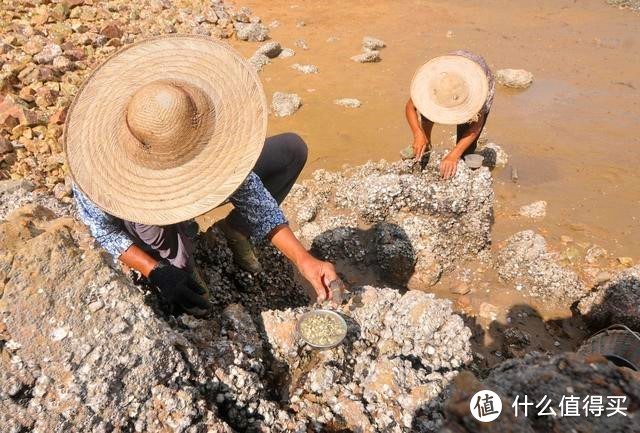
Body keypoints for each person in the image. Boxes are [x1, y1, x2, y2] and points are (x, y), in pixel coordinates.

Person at [64, 35, 339, 317]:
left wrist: (304, 259)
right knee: (167, 248)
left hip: (197, 183)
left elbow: (254, 198)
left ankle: (236, 230)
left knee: (290, 150)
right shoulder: (96, 172)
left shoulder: (207, 133)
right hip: (148, 215)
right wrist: (155, 271)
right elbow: (104, 231)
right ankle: (179, 262)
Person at [405, 50, 495, 179]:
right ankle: (425, 142)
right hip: (451, 68)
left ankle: (462, 157)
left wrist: (454, 155)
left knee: (465, 148)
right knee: (427, 110)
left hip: (476, 79)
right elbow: (410, 107)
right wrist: (417, 134)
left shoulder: (478, 93)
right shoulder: (436, 81)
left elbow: (476, 127)